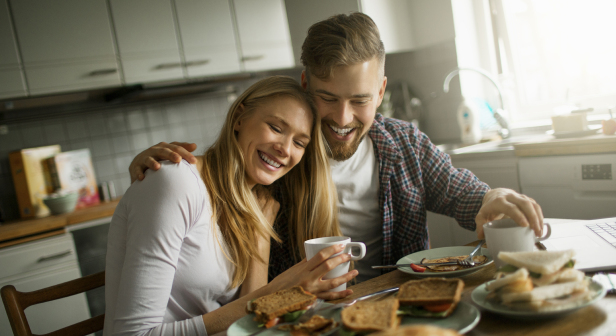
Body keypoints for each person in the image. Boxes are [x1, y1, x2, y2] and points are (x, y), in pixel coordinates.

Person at [128, 13, 544, 283]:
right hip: (308, 322)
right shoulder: (278, 157)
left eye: (359, 101)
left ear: (380, 92)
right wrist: (158, 168)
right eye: (328, 98)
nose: (343, 119)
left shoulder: (404, 144)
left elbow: (460, 191)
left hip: (406, 307)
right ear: (306, 84)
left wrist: (495, 195)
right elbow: (215, 185)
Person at [98, 76, 355, 336]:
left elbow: (250, 328)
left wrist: (260, 237)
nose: (285, 149)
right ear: (239, 118)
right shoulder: (176, 183)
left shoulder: (253, 202)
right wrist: (278, 293)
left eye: (299, 142)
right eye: (275, 127)